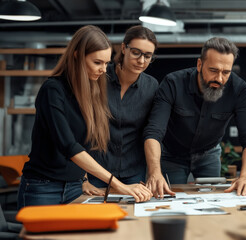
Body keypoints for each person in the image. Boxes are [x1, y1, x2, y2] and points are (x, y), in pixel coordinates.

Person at [18, 25, 152, 209]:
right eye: (97, 63)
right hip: (43, 188)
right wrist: (119, 185)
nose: (104, 70)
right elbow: (69, 146)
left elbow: (86, 144)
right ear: (77, 56)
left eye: (106, 63)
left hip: (75, 188)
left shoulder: (91, 90)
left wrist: (84, 179)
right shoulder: (52, 90)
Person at [143, 37, 246, 197]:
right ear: (199, 65)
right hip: (171, 155)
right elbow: (153, 132)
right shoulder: (173, 83)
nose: (219, 79)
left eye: (226, 72)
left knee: (211, 202)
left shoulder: (239, 90)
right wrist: (155, 172)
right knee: (166, 199)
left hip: (209, 154)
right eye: (213, 70)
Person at [82, 26, 159, 195]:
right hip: (96, 171)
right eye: (136, 52)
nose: (141, 60)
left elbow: (151, 130)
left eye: (147, 56)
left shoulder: (152, 86)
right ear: (124, 48)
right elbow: (81, 128)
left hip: (133, 172)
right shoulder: (99, 77)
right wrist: (83, 178)